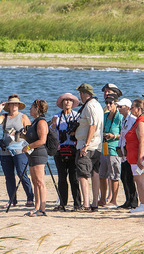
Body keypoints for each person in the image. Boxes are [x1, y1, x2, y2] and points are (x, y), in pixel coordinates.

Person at [0, 94, 33, 210]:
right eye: (12, 104)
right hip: (5, 151)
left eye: (16, 104)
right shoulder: (4, 117)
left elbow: (30, 133)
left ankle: (30, 198)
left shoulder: (23, 117)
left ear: (19, 105)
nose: (14, 105)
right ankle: (12, 200)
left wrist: (20, 134)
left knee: (21, 173)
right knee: (9, 176)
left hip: (20, 150)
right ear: (8, 105)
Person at [73, 83, 103, 211]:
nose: (80, 96)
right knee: (95, 173)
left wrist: (85, 145)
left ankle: (86, 203)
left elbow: (92, 126)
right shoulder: (97, 104)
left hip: (88, 145)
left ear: (84, 94)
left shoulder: (90, 105)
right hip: (97, 145)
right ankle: (94, 202)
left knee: (83, 175)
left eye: (80, 93)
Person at [125, 99, 144, 214]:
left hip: (142, 157)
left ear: (138, 109)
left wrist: (140, 158)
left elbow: (143, 141)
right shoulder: (142, 120)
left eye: (132, 107)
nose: (131, 109)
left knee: (140, 179)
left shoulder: (141, 122)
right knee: (143, 179)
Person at [51, 92, 82, 211]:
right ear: (62, 103)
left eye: (69, 100)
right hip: (60, 151)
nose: (67, 102)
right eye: (65, 100)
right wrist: (53, 124)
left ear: (73, 103)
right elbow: (52, 134)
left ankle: (77, 204)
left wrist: (75, 133)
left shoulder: (77, 116)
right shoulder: (56, 117)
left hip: (73, 150)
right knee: (62, 178)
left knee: (74, 178)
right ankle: (62, 203)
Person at [23, 99, 51, 216]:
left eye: (32, 107)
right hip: (32, 154)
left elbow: (42, 140)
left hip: (39, 153)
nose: (30, 109)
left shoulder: (41, 122)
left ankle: (42, 209)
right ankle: (37, 206)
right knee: (35, 181)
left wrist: (28, 147)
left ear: (37, 108)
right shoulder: (35, 122)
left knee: (40, 181)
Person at [98, 95, 124, 207]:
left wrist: (113, 136)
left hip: (114, 148)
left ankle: (113, 200)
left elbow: (124, 134)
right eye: (106, 102)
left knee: (114, 175)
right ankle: (102, 199)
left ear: (116, 104)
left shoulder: (120, 117)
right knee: (102, 174)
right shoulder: (105, 115)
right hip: (104, 148)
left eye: (111, 103)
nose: (108, 105)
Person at [116, 98, 138, 209]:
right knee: (123, 176)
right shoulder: (124, 119)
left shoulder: (133, 119)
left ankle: (134, 201)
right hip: (123, 152)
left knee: (129, 176)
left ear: (128, 108)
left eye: (121, 106)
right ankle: (128, 200)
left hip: (130, 151)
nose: (119, 108)